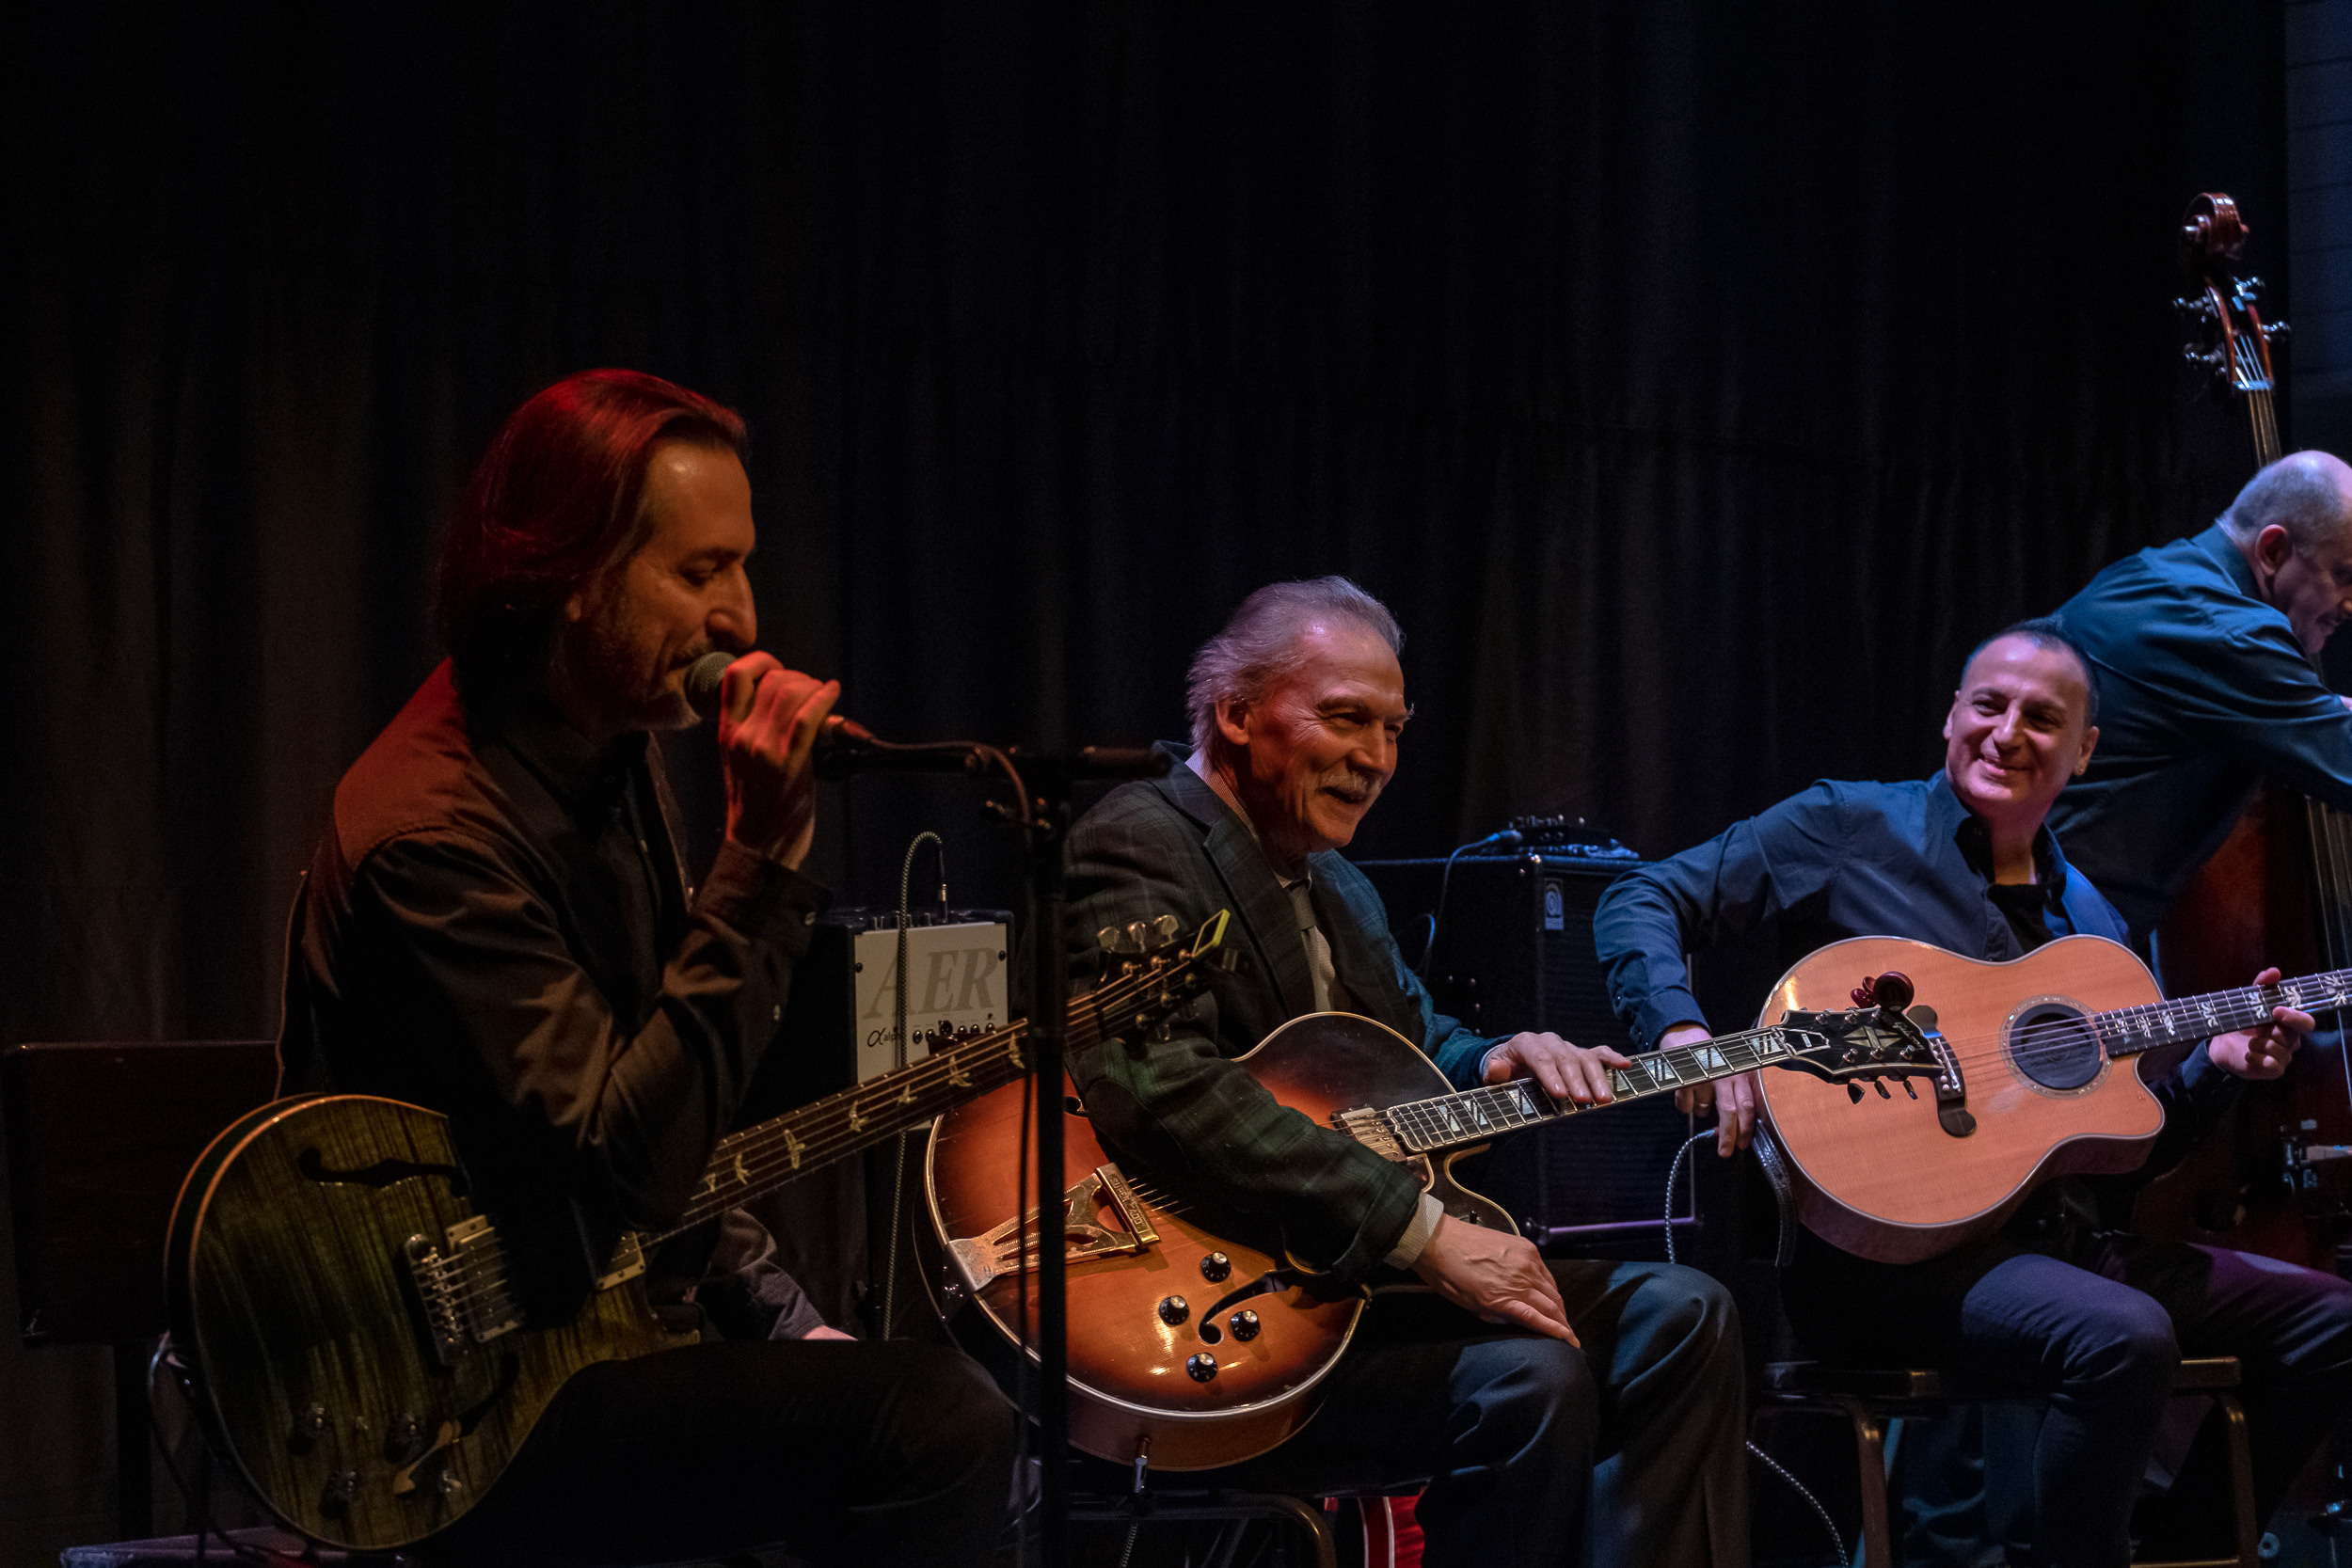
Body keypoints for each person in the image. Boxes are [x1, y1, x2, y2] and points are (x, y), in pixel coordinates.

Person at [278, 370, 1015, 1567]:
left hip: (594, 1329)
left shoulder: (606, 749)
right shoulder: (437, 831)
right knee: (935, 1424)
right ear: (569, 579)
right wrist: (760, 858)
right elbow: (626, 1160)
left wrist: (783, 1315)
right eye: (697, 571)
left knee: (920, 1398)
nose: (740, 615)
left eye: (742, 564)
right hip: (460, 1409)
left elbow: (672, 1098)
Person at [1593, 620, 2352, 1567]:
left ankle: (2175, 1549)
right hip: (1879, 1261)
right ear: (1951, 715)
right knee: (2120, 1336)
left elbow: (2123, 1155)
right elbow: (1642, 897)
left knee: (2329, 1318)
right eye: (1987, 703)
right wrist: (1686, 1035)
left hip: (2057, 1250)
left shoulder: (2094, 924)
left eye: (2042, 717)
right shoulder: (1850, 827)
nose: (2006, 732)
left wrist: (2219, 1064)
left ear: (2084, 753)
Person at [1062, 577, 1750, 1568]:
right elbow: (1161, 1086)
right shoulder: (1141, 837)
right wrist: (1421, 1229)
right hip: (1223, 1307)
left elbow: (1410, 1042)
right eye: (1346, 719)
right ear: (1236, 711)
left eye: (1392, 729)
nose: (1377, 759)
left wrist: (1499, 1056)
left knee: (1682, 1313)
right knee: (1529, 1382)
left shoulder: (1337, 880)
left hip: (1344, 1276)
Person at [2050, 450, 2352, 942]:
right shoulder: (2231, 634)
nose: (2351, 603)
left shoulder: (2159, 575)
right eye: (2343, 575)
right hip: (2046, 933)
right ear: (2273, 550)